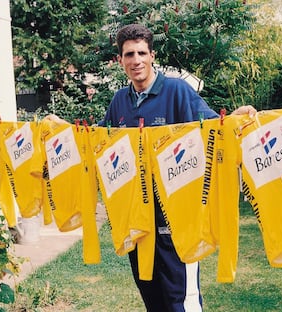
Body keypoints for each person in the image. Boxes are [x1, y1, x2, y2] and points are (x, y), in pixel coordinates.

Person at [98, 24, 256, 312]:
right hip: (137, 219)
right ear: (121, 60)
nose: (136, 60)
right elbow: (99, 143)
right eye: (129, 54)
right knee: (151, 294)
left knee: (180, 299)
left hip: (176, 217)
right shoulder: (120, 101)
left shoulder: (177, 91)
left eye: (142, 53)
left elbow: (211, 128)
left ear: (152, 55)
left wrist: (234, 120)